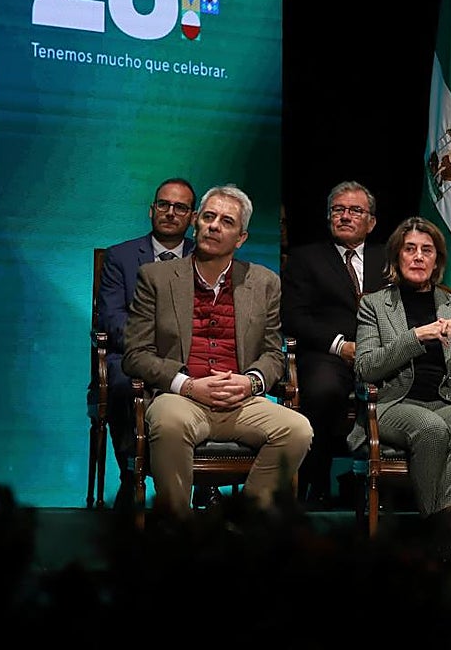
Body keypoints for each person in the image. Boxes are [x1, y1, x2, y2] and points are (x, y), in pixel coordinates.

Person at [123, 183, 313, 516]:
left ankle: (243, 521)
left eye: (227, 222)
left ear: (241, 238)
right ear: (196, 223)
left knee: (297, 430)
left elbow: (273, 354)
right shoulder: (156, 277)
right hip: (180, 398)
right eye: (209, 217)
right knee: (169, 423)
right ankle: (176, 529)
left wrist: (250, 382)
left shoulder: (264, 282)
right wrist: (187, 385)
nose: (214, 226)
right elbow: (135, 354)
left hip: (241, 401)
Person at [347, 216, 451, 526]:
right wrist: (415, 336)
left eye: (426, 250)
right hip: (392, 403)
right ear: (397, 257)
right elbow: (365, 368)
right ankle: (439, 528)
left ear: (437, 261)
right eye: (410, 249)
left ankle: (448, 528)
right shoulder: (374, 305)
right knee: (430, 428)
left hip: (446, 401)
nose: (418, 257)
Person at [281, 181, 388, 507]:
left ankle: (387, 487)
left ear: (371, 222)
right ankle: (314, 482)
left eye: (355, 210)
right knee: (323, 390)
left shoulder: (388, 258)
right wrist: (340, 346)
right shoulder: (305, 258)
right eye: (338, 210)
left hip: (382, 353)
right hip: (327, 354)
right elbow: (293, 316)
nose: (345, 216)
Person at [95, 177, 197, 508]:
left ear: (192, 217)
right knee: (123, 382)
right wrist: (151, 352)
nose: (170, 212)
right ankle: (131, 472)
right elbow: (112, 318)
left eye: (180, 207)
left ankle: (204, 482)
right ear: (151, 210)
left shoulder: (205, 256)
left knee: (213, 375)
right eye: (163, 205)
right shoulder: (120, 256)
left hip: (187, 357)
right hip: (131, 355)